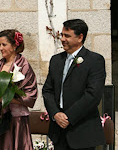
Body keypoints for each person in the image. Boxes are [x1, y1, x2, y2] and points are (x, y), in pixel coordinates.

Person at [42, 19, 106, 149]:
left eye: (67, 36)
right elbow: (47, 90)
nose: (62, 39)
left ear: (80, 37)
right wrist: (55, 114)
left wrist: (68, 117)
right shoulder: (56, 60)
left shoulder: (94, 60)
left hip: (82, 131)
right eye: (62, 35)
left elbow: (93, 95)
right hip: (59, 131)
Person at [0, 29, 38, 150]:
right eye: (0, 44)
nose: (1, 48)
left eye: (4, 44)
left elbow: (31, 94)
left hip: (16, 120)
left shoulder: (23, 65)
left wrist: (10, 99)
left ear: (14, 46)